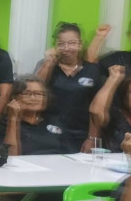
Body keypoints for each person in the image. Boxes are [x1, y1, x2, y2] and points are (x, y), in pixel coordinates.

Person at [7, 76, 68, 201]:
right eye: (29, 93)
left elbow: (68, 153)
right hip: (21, 185)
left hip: (57, 179)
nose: (35, 98)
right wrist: (14, 120)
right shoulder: (7, 122)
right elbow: (12, 157)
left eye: (40, 93)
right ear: (15, 97)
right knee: (49, 200)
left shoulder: (54, 121)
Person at [36, 22, 102, 153]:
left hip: (80, 135)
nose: (66, 48)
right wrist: (48, 62)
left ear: (80, 44)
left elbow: (96, 108)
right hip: (48, 132)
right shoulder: (47, 66)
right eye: (61, 44)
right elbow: (35, 89)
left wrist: (92, 138)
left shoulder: (92, 70)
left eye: (72, 43)